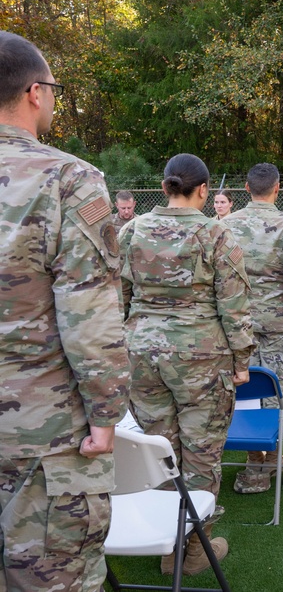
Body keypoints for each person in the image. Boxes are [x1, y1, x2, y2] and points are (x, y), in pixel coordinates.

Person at [0, 30, 131, 591]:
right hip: (42, 433)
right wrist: (106, 416)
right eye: (52, 89)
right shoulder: (68, 179)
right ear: (35, 92)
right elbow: (88, 315)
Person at [119, 153, 254, 576]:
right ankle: (192, 551)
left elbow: (116, 296)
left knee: (161, 449)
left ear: (163, 188)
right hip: (201, 358)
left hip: (142, 355)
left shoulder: (131, 230)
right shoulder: (216, 232)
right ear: (204, 190)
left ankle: (166, 542)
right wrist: (242, 361)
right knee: (201, 453)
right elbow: (234, 305)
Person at [224, 163, 283, 494]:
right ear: (277, 188)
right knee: (277, 394)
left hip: (237, 327)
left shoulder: (225, 225)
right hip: (279, 327)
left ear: (246, 188)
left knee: (241, 394)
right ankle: (268, 466)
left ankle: (254, 466)